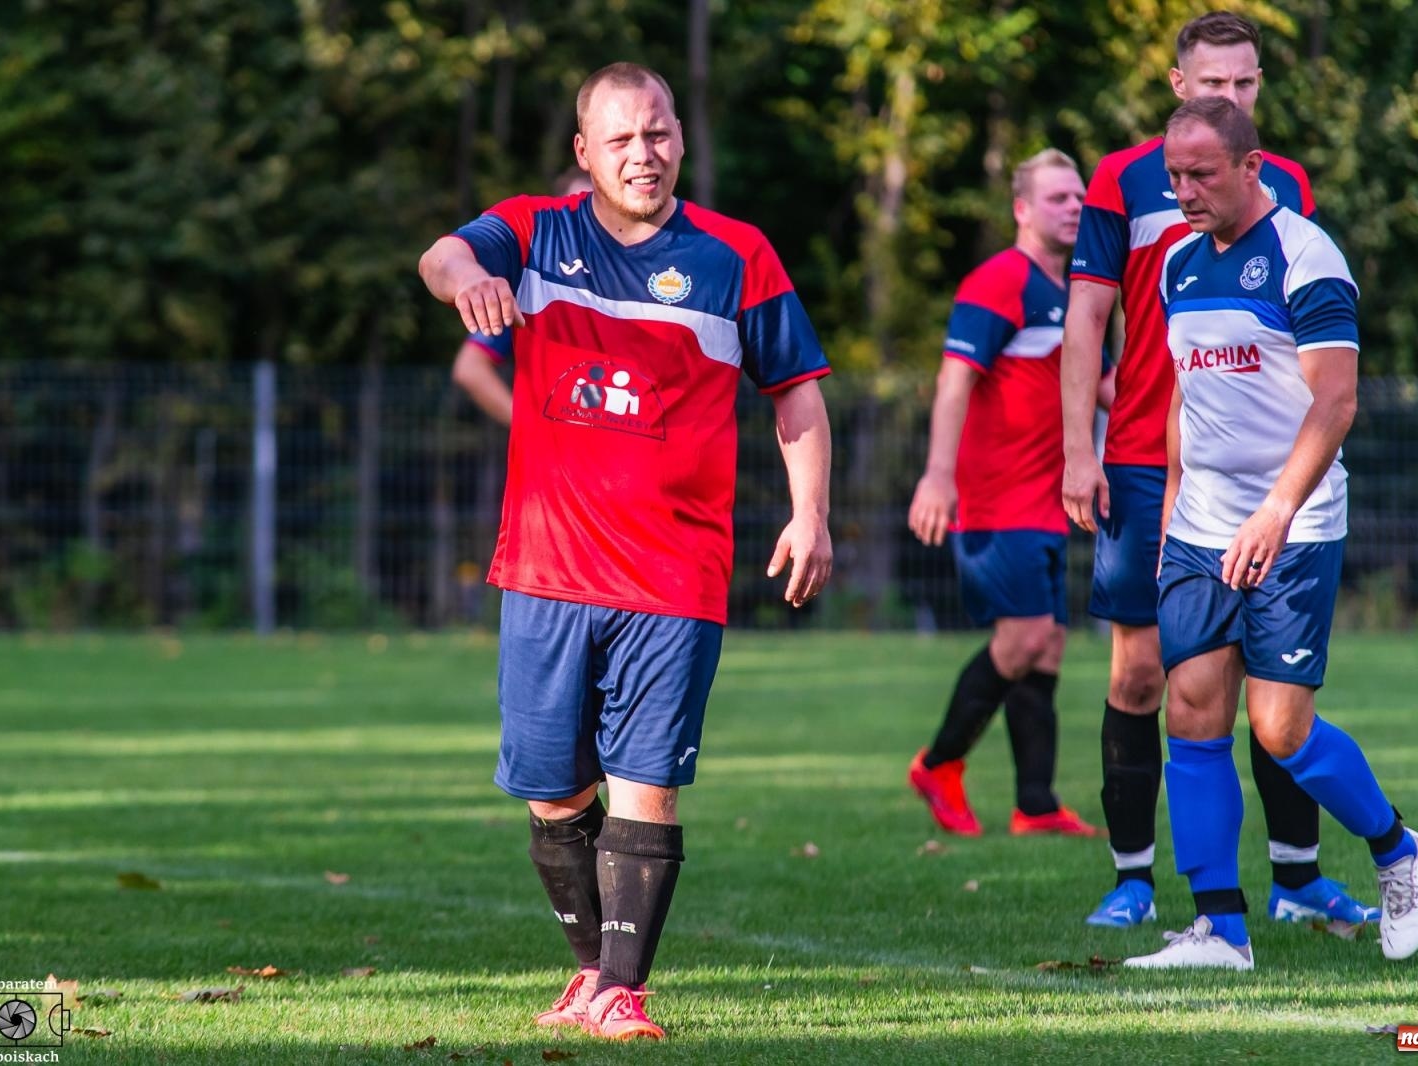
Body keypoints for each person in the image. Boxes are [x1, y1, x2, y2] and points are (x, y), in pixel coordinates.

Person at [417, 62, 833, 1040]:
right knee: (552, 790)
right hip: (545, 570)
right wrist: (470, 280)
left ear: (680, 137)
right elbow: (442, 256)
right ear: (584, 152)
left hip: (673, 575)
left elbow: (797, 392)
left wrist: (810, 514)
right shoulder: (533, 232)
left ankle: (621, 990)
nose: (642, 155)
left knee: (647, 780)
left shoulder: (737, 254)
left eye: (657, 134)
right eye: (620, 140)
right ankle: (589, 975)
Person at [1060, 10, 1377, 931]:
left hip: (1263, 476)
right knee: (1144, 677)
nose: (1230, 94)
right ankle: (1135, 879)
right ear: (1178, 85)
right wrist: (1080, 447)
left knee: (1273, 699)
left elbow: (1306, 348)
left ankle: (1297, 876)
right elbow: (1087, 317)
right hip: (1146, 456)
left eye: (1244, 83)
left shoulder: (1285, 189)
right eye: (1213, 83)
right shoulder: (1124, 179)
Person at [1123, 97, 1418, 970]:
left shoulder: (1307, 257)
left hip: (1293, 525)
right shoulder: (1176, 264)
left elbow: (1336, 402)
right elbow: (1186, 398)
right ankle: (1220, 930)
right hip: (1199, 526)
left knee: (1279, 729)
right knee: (1191, 708)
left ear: (1251, 167)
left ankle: (1397, 850)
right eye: (1174, 177)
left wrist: (1276, 510)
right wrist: (1172, 510)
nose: (1184, 192)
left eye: (1201, 175)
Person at [906, 150, 1113, 839]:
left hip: (1048, 503)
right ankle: (939, 764)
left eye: (1079, 196)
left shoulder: (1074, 290)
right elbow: (954, 380)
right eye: (1057, 197)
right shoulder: (999, 280)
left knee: (1048, 644)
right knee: (1023, 638)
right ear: (1022, 210)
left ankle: (1037, 804)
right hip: (996, 503)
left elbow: (1106, 386)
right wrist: (938, 475)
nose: (1074, 207)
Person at [452, 169, 593, 425]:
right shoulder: (536, 290)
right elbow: (470, 367)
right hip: (558, 447)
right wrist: (529, 426)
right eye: (577, 210)